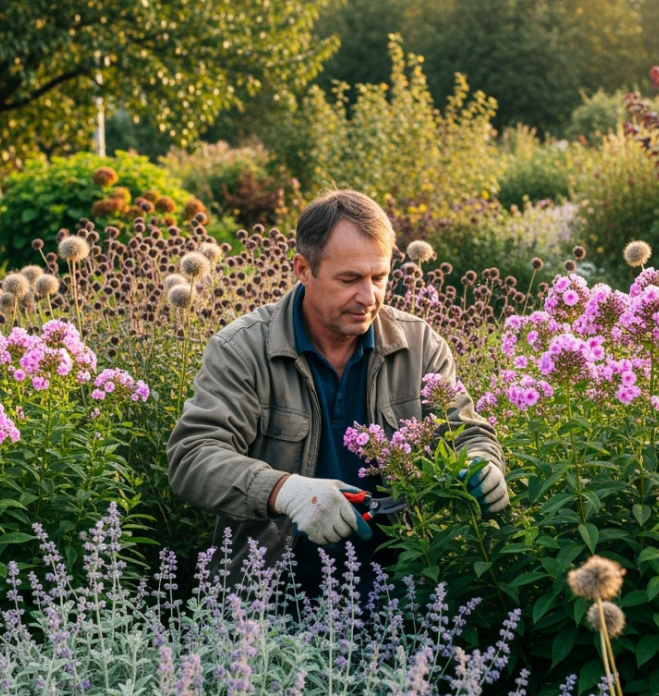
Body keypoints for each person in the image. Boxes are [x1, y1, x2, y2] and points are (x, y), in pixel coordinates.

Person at [167, 189, 507, 592]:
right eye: (349, 279)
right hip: (270, 599)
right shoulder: (243, 349)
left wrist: (483, 462)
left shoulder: (417, 345)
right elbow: (193, 455)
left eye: (379, 277)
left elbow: (465, 430)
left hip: (404, 596)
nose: (369, 297)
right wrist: (285, 492)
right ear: (303, 269)